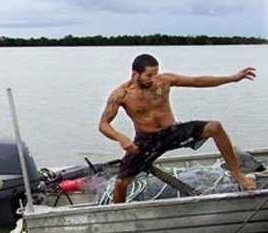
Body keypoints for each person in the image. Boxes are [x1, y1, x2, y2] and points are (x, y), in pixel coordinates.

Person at [98, 53, 256, 203]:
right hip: (147, 140)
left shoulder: (165, 80)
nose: (153, 79)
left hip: (172, 131)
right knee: (120, 183)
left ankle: (237, 174)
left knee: (215, 127)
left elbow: (198, 81)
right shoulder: (121, 94)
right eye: (149, 75)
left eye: (156, 73)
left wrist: (233, 78)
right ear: (135, 74)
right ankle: (120, 211)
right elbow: (103, 125)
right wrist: (121, 138)